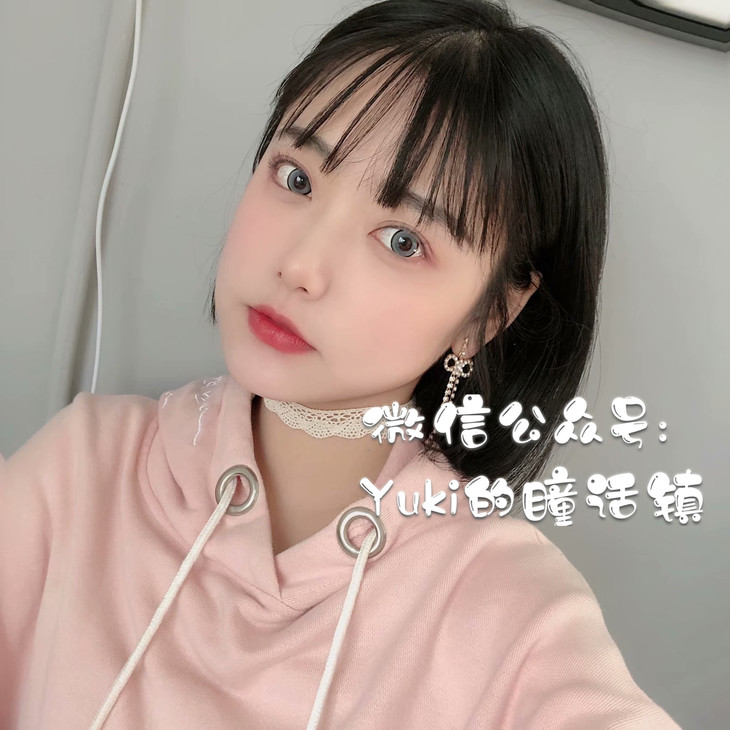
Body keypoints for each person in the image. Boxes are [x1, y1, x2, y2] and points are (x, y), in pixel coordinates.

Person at [0, 1, 682, 727]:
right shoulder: (87, 468)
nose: (300, 266)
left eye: (402, 240)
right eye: (296, 178)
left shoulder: (514, 620)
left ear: (489, 315)